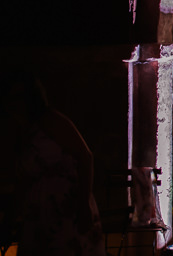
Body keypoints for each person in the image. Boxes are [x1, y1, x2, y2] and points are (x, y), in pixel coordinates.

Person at [1, 69, 105, 256]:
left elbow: (85, 156)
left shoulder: (51, 121)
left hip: (68, 209)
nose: (16, 103)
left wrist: (83, 204)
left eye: (20, 97)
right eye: (11, 98)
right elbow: (22, 181)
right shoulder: (21, 130)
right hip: (40, 215)